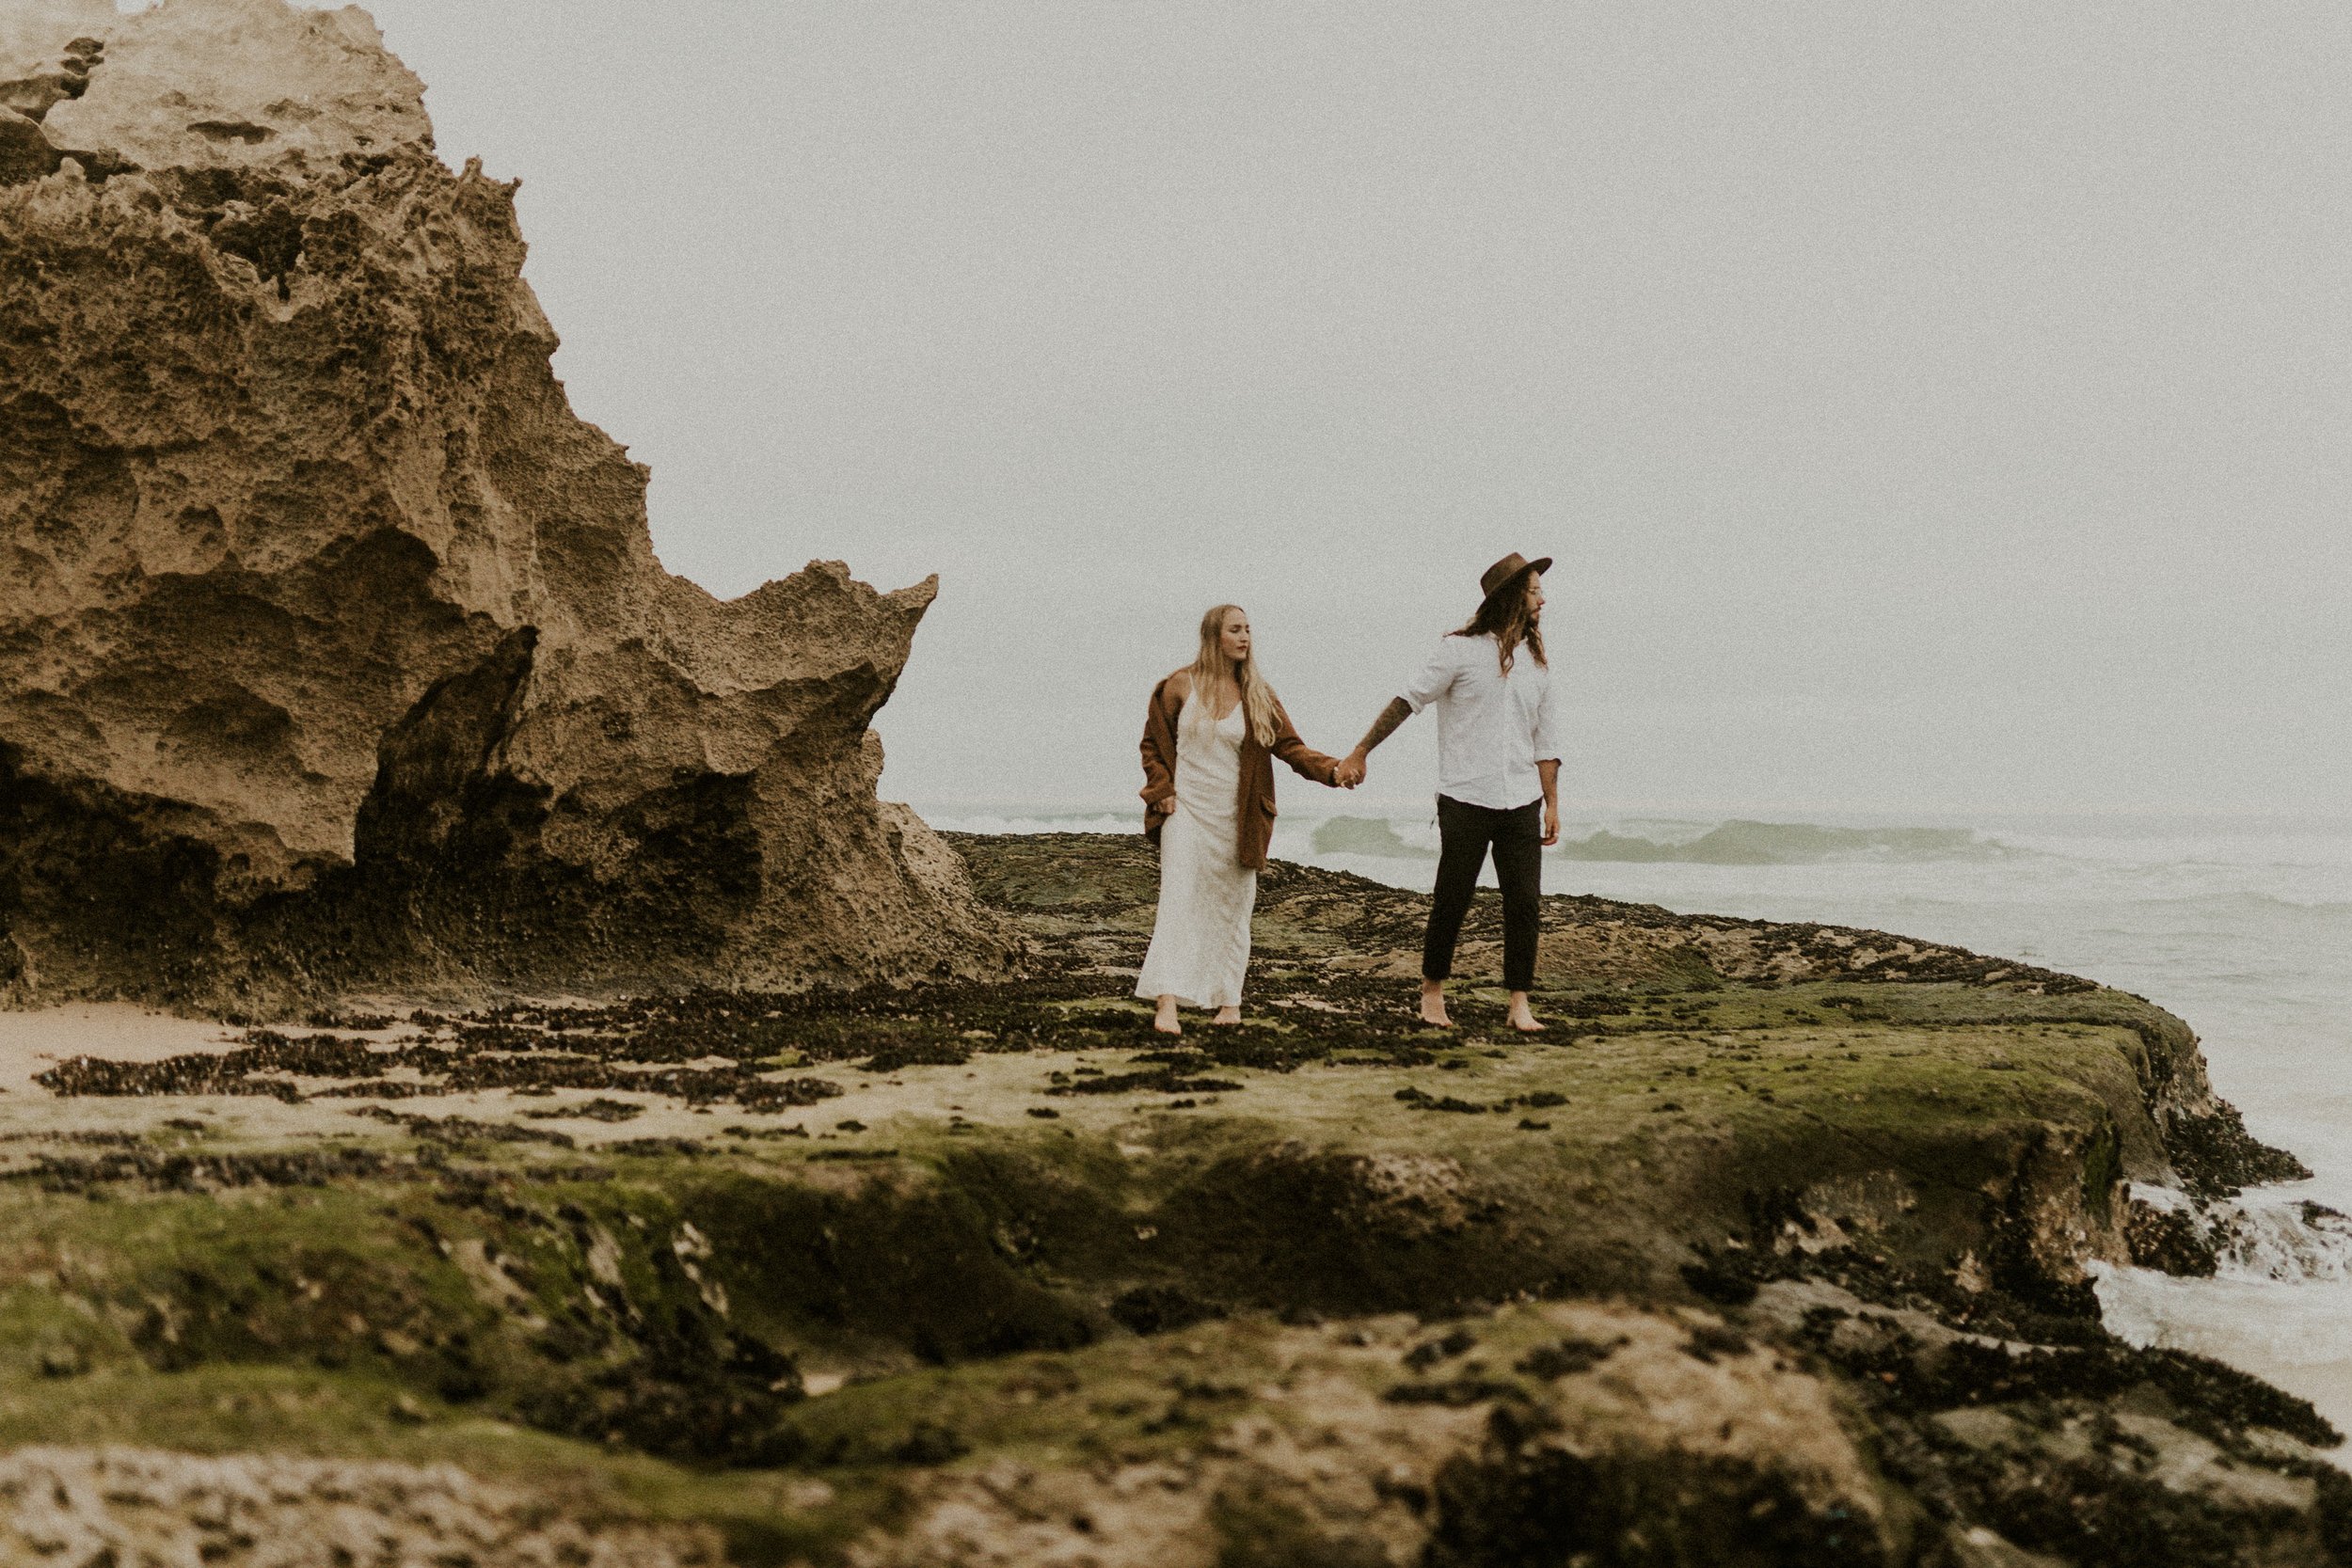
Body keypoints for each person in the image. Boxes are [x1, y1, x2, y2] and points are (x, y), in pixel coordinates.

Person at [1333, 553, 1562, 1032]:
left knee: (1524, 902)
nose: (1544, 598)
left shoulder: (1536, 663)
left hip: (1521, 800)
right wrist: (1360, 751)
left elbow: (1546, 740)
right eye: (1535, 590)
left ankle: (1519, 1002)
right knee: (1452, 898)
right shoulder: (1459, 651)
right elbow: (1407, 701)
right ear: (1510, 597)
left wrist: (1552, 804)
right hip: (1465, 798)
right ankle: (1432, 991)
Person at [1136, 605, 1345, 1034]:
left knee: (1234, 908)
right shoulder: (1178, 686)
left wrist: (1333, 770)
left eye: (1248, 629)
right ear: (1214, 636)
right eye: (1235, 630)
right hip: (1186, 813)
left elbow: (1291, 748)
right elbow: (1152, 746)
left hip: (1238, 819)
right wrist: (1163, 791)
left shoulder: (1258, 694)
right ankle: (1167, 1003)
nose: (1245, 637)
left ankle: (1228, 1000)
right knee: (1177, 902)